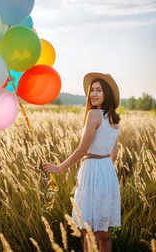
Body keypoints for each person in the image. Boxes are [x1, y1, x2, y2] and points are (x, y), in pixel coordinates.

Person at [42, 72, 121, 252]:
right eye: (91, 90)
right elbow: (113, 152)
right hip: (108, 173)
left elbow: (83, 150)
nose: (93, 94)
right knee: (105, 233)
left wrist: (58, 168)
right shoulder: (115, 119)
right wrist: (105, 173)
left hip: (92, 171)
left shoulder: (94, 114)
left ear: (106, 93)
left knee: (89, 232)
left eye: (98, 90)